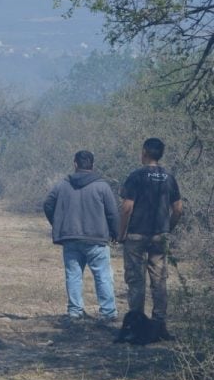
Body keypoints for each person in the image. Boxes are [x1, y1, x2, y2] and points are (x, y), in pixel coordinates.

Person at [44, 150, 120, 324]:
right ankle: (107, 312)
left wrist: (58, 224)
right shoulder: (102, 186)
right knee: (102, 275)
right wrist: (115, 233)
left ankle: (75, 312)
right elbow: (113, 213)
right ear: (92, 165)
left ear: (75, 164)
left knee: (73, 275)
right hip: (97, 239)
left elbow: (48, 204)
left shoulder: (62, 185)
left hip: (70, 238)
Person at [118, 138, 183, 341]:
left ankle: (136, 326)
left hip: (136, 235)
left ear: (145, 152)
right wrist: (167, 229)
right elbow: (179, 209)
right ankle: (159, 326)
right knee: (159, 281)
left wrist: (121, 233)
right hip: (159, 236)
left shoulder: (136, 176)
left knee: (136, 281)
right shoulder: (168, 177)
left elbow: (127, 207)